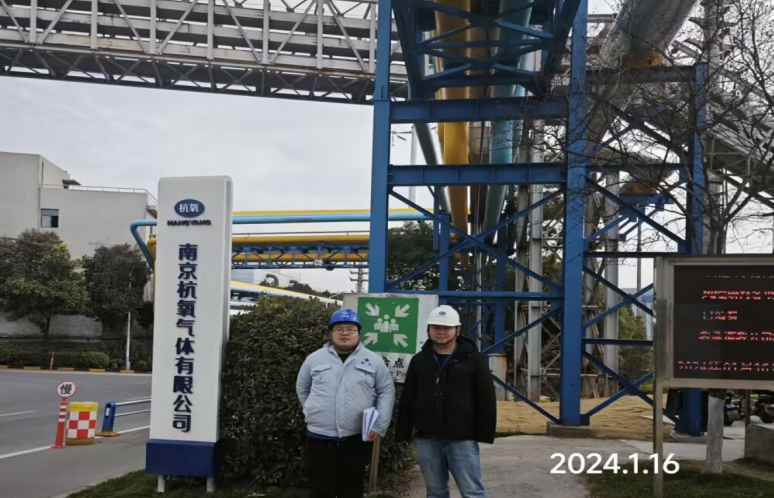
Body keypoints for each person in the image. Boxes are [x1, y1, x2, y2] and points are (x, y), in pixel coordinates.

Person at [395, 304, 496, 498]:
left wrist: (484, 433)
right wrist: (403, 432)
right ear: (428, 329)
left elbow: (486, 397)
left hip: (462, 438)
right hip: (427, 438)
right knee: (435, 492)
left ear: (457, 330)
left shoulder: (473, 359)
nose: (441, 332)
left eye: (447, 327)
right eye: (436, 327)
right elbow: (408, 397)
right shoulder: (419, 360)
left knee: (472, 491)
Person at [296, 308, 396, 498]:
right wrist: (311, 409)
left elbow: (386, 391)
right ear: (331, 333)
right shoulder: (314, 359)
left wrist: (379, 425)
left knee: (351, 488)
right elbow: (303, 388)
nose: (344, 333)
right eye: (339, 329)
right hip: (319, 437)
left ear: (359, 333)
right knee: (319, 488)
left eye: (350, 329)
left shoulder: (373, 361)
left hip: (355, 438)